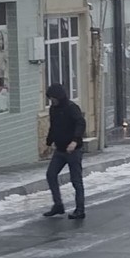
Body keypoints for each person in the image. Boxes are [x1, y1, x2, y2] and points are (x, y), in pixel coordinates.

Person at [43, 83, 87, 219]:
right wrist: (49, 142)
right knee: (51, 174)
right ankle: (58, 205)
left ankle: (80, 209)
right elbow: (54, 127)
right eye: (50, 99)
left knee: (76, 180)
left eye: (53, 98)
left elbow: (81, 123)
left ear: (59, 96)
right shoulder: (53, 109)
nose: (52, 101)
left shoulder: (72, 108)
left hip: (73, 150)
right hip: (60, 150)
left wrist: (74, 141)